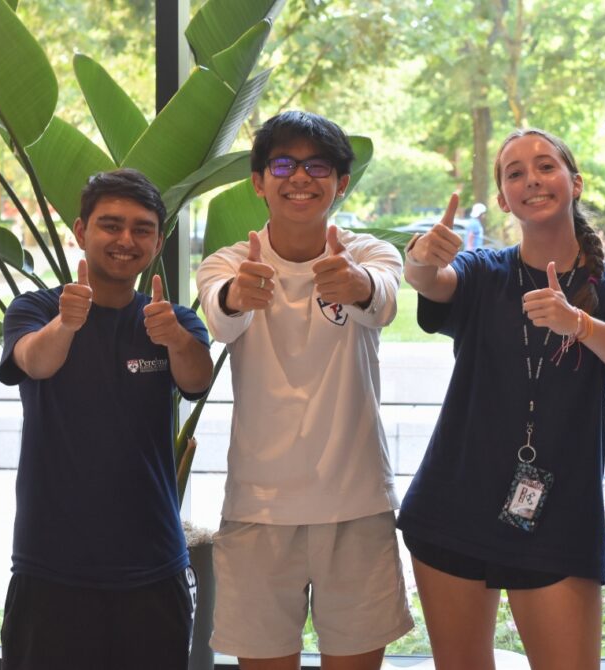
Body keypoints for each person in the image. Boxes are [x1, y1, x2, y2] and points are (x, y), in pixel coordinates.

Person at [397, 128, 605, 669]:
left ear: (575, 183)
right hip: (453, 505)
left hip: (558, 519)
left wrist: (578, 323)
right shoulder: (484, 271)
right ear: (502, 199)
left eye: (545, 166)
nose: (531, 180)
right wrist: (419, 259)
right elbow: (433, 282)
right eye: (515, 173)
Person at [196, 110, 411, 670]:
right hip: (258, 507)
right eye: (283, 164)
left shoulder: (370, 254)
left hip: (356, 503)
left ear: (341, 183)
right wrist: (237, 295)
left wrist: (356, 284)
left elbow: (383, 301)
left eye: (317, 166)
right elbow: (221, 318)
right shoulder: (229, 263)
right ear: (258, 181)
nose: (299, 177)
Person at [0, 168, 213, 670]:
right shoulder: (36, 309)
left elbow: (197, 379)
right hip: (50, 567)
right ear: (81, 231)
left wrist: (175, 339)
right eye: (110, 225)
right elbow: (34, 361)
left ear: (158, 243)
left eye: (142, 229)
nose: (125, 240)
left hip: (153, 567)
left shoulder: (174, 320)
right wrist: (66, 324)